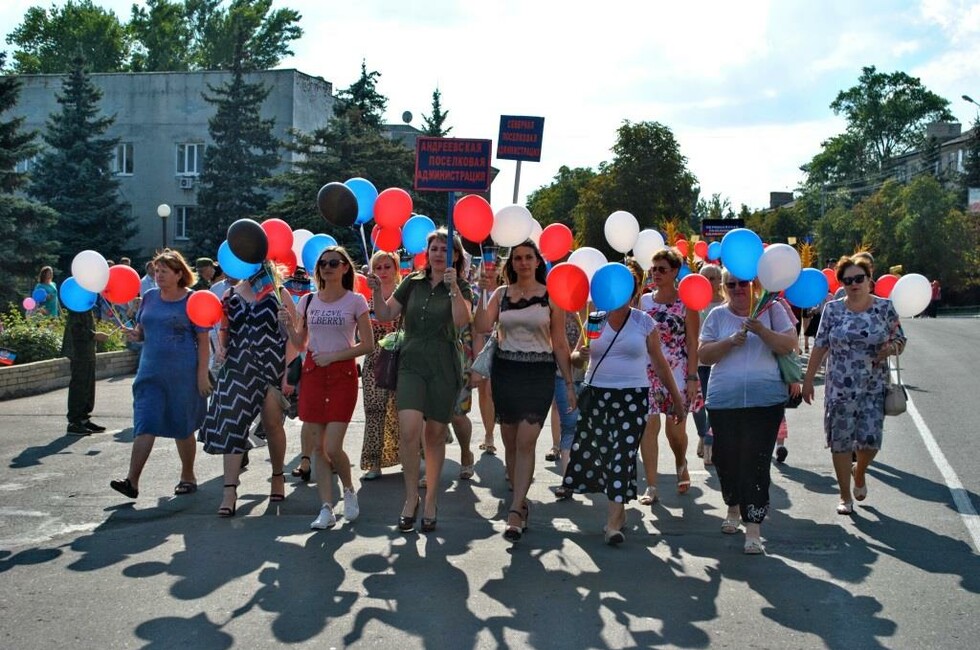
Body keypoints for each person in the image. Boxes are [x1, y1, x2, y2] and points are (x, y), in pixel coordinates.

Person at [562, 263, 685, 545]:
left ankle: (612, 523)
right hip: (597, 395)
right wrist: (577, 355)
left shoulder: (643, 322)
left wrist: (676, 400)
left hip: (632, 396)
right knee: (606, 455)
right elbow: (577, 358)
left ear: (633, 291)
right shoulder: (595, 319)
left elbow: (660, 363)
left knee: (622, 454)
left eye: (627, 287)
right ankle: (620, 513)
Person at [368, 228, 472, 534]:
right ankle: (411, 498)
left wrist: (453, 289)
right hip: (411, 363)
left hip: (443, 365)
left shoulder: (462, 286)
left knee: (435, 435)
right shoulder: (412, 282)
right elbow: (386, 312)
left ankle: (430, 500)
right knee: (410, 430)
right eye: (435, 248)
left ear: (455, 255)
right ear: (427, 253)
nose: (439, 254)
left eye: (445, 249)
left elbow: (461, 321)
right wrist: (376, 290)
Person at [475, 240, 575, 543]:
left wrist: (570, 384)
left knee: (527, 440)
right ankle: (519, 497)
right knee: (510, 441)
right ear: (512, 263)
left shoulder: (550, 296)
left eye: (528, 257)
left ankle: (517, 508)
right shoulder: (500, 294)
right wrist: (481, 290)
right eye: (517, 258)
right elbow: (481, 326)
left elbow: (559, 342)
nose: (523, 262)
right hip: (505, 372)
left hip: (539, 373)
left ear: (537, 261)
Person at [698, 271, 797, 554]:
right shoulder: (717, 315)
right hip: (724, 400)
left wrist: (761, 331)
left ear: (753, 285)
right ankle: (732, 507)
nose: (738, 289)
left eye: (743, 283)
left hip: (765, 399)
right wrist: (730, 341)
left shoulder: (773, 309)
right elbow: (704, 356)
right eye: (732, 284)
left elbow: (789, 344)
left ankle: (753, 527)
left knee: (756, 461)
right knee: (726, 459)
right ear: (724, 288)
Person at [802, 256, 906, 516]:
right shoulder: (833, 310)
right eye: (847, 280)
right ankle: (845, 496)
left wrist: (890, 348)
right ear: (842, 284)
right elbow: (821, 345)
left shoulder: (885, 308)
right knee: (841, 442)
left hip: (873, 385)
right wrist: (807, 380)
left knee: (870, 441)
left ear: (869, 280)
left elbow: (900, 340)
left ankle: (858, 473)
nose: (854, 284)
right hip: (839, 387)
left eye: (859, 278)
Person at [283, 246, 373, 530]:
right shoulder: (308, 301)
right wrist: (287, 326)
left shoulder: (355, 301)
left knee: (333, 446)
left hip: (342, 375)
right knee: (318, 448)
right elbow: (300, 343)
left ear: (346, 268)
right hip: (312, 374)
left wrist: (333, 357)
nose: (328, 267)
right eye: (323, 263)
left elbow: (368, 345)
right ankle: (325, 507)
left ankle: (348, 490)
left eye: (334, 263)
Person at [110, 249, 210, 500]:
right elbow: (144, 329)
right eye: (156, 271)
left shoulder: (192, 300)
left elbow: (204, 339)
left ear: (179, 275)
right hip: (150, 374)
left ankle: (188, 476)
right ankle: (131, 481)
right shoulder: (150, 297)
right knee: (145, 423)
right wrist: (137, 334)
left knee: (182, 426)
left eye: (164, 271)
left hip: (183, 375)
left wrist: (201, 375)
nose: (158, 275)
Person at [198, 264, 296, 517]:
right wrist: (220, 349)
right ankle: (229, 491)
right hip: (238, 367)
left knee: (272, 424)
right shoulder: (231, 294)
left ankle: (277, 476)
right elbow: (224, 329)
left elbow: (294, 337)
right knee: (233, 426)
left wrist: (288, 372)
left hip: (271, 366)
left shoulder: (278, 292)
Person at [637, 248, 703, 504]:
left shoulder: (687, 302)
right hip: (648, 372)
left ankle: (680, 460)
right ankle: (651, 486)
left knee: (675, 433)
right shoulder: (644, 301)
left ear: (675, 272)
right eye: (653, 269)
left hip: (677, 372)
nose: (656, 274)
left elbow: (693, 342)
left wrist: (692, 377)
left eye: (662, 269)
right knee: (649, 427)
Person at [359, 250, 402, 481]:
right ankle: (374, 463)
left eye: (387, 267)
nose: (383, 272)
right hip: (374, 360)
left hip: (401, 359)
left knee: (404, 411)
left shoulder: (404, 295)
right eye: (378, 268)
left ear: (395, 269)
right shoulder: (365, 300)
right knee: (374, 410)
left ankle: (413, 456)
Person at [692, 263, 725, 466]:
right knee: (697, 405)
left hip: (719, 362)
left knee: (712, 404)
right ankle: (702, 434)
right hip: (697, 362)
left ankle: (709, 443)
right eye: (704, 277)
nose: (708, 282)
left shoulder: (725, 304)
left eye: (712, 278)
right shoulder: (695, 304)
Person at [63, 305, 108, 435]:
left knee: (88, 386)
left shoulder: (86, 304)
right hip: (79, 352)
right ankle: (74, 421)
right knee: (79, 385)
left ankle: (83, 419)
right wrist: (94, 335)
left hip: (87, 352)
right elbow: (76, 330)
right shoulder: (77, 304)